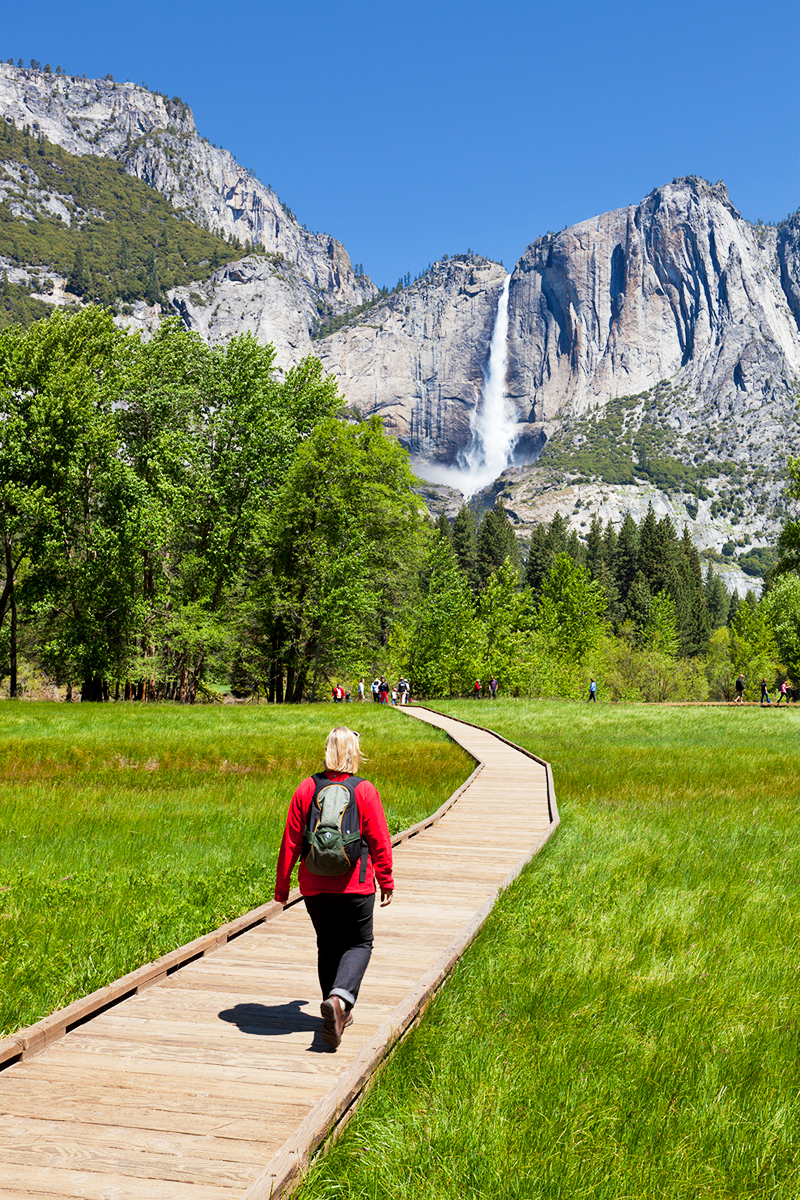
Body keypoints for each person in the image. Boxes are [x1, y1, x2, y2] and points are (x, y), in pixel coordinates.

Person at [274, 727, 394, 1049]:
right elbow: (380, 840)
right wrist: (386, 879)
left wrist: (282, 887)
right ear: (354, 753)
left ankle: (338, 1011)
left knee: (327, 944)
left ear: (327, 750)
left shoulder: (307, 788)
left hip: (314, 885)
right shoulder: (364, 790)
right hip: (355, 885)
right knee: (359, 943)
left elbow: (291, 841)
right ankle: (339, 1002)